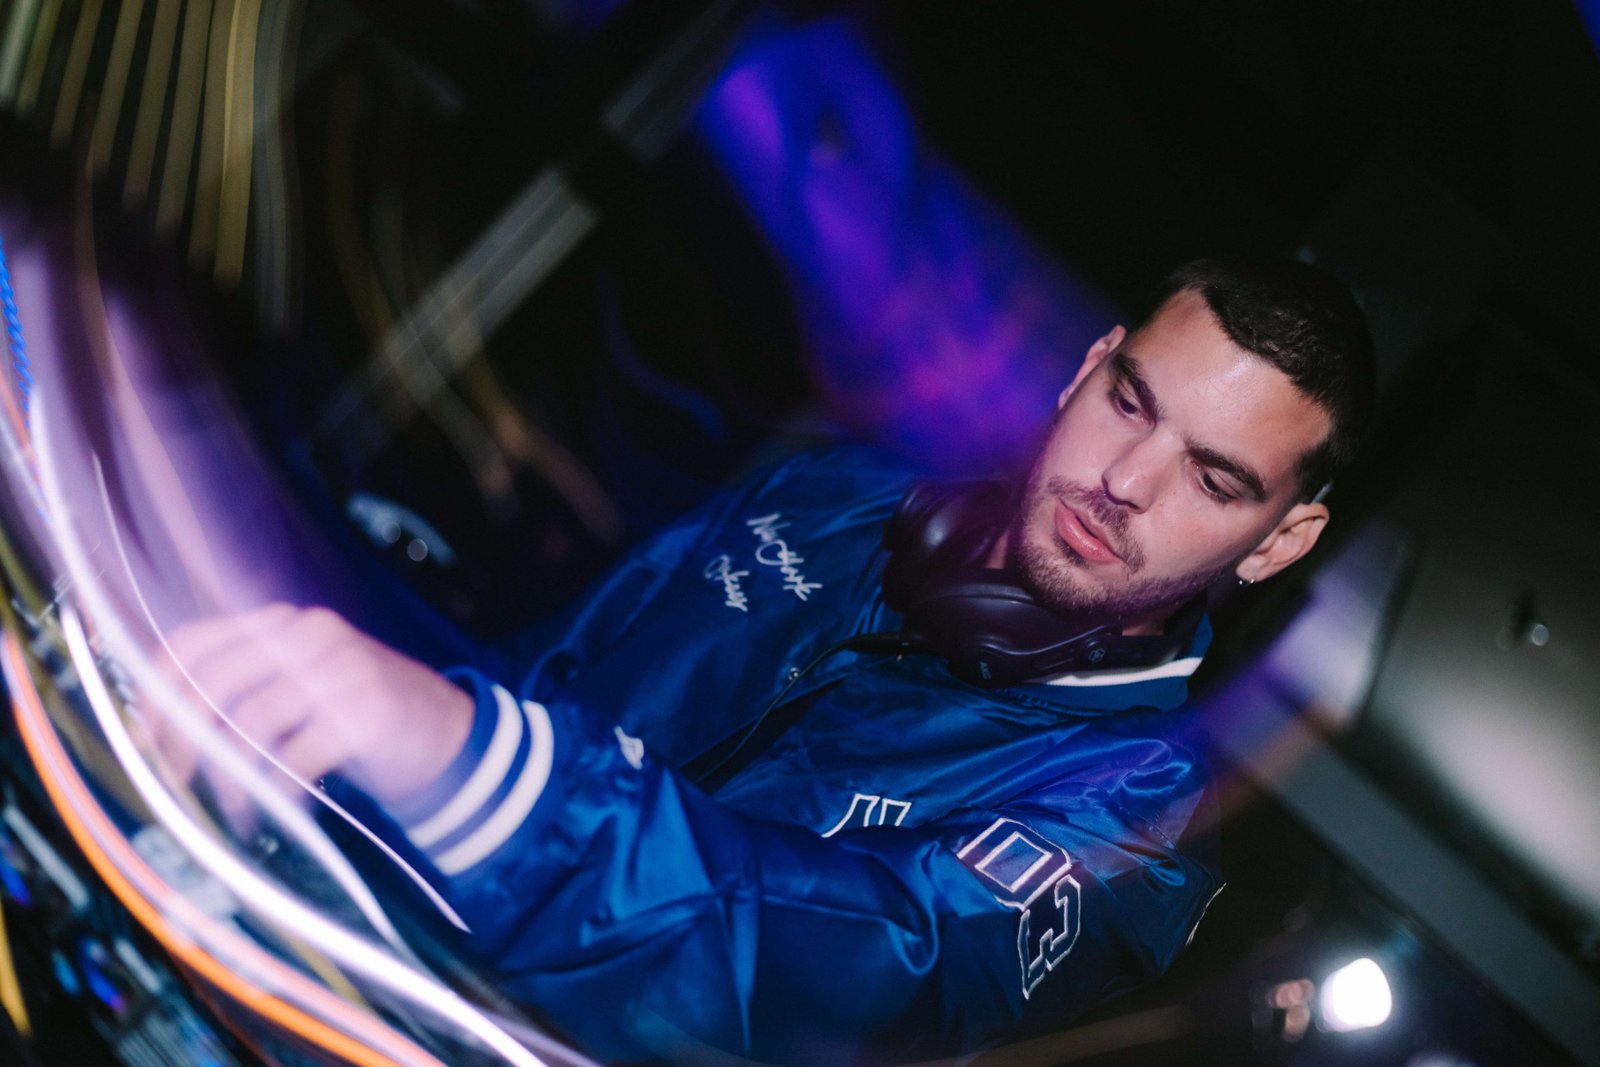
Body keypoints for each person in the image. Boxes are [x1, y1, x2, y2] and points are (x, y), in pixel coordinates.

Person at [159, 255, 1375, 1065]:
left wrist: (485, 773)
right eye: (1130, 401)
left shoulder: (1137, 815)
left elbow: (854, 968)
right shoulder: (836, 495)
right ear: (1087, 364)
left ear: (1279, 540)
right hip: (315, 967)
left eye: (1213, 479)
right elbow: (554, 673)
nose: (1124, 479)